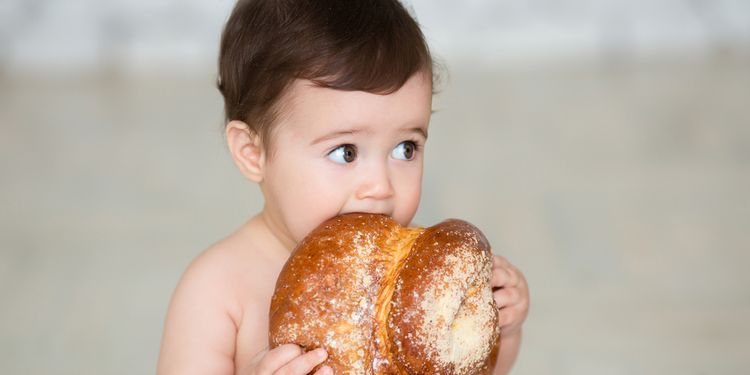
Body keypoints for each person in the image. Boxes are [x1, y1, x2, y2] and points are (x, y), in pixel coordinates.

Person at [157, 0, 529, 374]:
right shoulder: (217, 290)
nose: (380, 186)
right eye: (346, 152)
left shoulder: (410, 279)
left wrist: (502, 330)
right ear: (254, 153)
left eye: (406, 148)